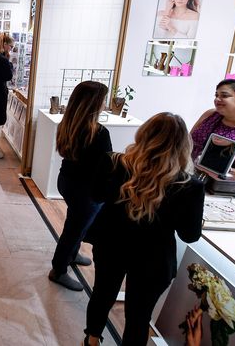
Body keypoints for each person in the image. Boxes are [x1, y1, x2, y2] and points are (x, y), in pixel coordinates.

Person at [83, 113, 205, 346]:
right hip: (154, 256)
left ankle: (91, 339)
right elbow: (189, 235)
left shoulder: (113, 162)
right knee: (139, 316)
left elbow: (96, 195)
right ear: (183, 145)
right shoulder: (189, 186)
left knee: (102, 294)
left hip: (112, 243)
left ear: (144, 134)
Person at [48, 81, 111, 292]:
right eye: (103, 100)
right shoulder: (98, 132)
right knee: (74, 230)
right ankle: (58, 269)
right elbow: (107, 164)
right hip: (86, 189)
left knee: (75, 223)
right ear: (95, 103)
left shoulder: (69, 124)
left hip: (67, 181)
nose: (105, 104)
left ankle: (72, 254)